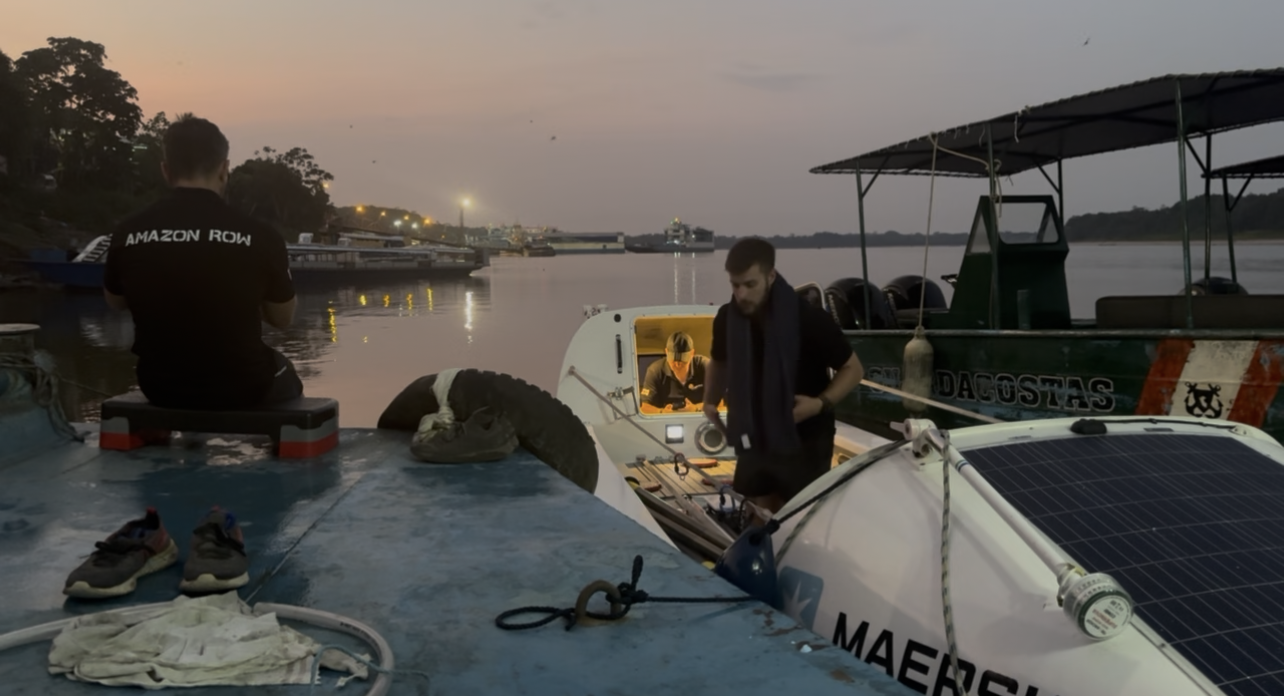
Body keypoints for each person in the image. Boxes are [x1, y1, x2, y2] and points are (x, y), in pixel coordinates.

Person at [102, 114, 303, 410]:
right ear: (224, 169)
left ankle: (176, 434)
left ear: (166, 170)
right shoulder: (260, 235)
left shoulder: (129, 231)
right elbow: (282, 319)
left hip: (160, 386)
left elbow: (116, 302)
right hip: (244, 387)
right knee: (286, 374)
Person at [703, 237, 864, 516]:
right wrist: (709, 400)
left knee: (794, 514)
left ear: (771, 276)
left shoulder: (809, 320)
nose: (741, 294)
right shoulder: (727, 318)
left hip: (806, 435)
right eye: (735, 285)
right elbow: (719, 361)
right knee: (756, 509)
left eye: (750, 284)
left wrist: (819, 404)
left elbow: (853, 370)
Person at [639, 331, 710, 413]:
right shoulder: (655, 371)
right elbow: (644, 407)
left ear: (692, 353)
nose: (677, 364)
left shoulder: (706, 367)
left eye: (683, 360)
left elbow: (720, 403)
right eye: (673, 360)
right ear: (666, 352)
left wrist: (696, 408)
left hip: (700, 418)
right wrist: (662, 412)